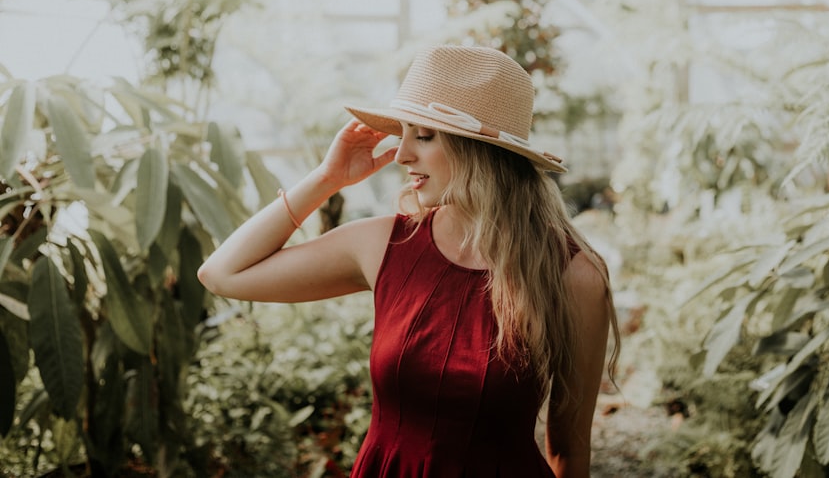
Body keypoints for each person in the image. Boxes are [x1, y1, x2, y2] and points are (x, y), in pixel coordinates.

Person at [198, 44, 620, 477]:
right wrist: (327, 179)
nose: (400, 155)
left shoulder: (572, 275)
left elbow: (569, 450)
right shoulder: (385, 243)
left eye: (423, 135)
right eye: (403, 133)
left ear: (479, 151)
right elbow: (222, 273)